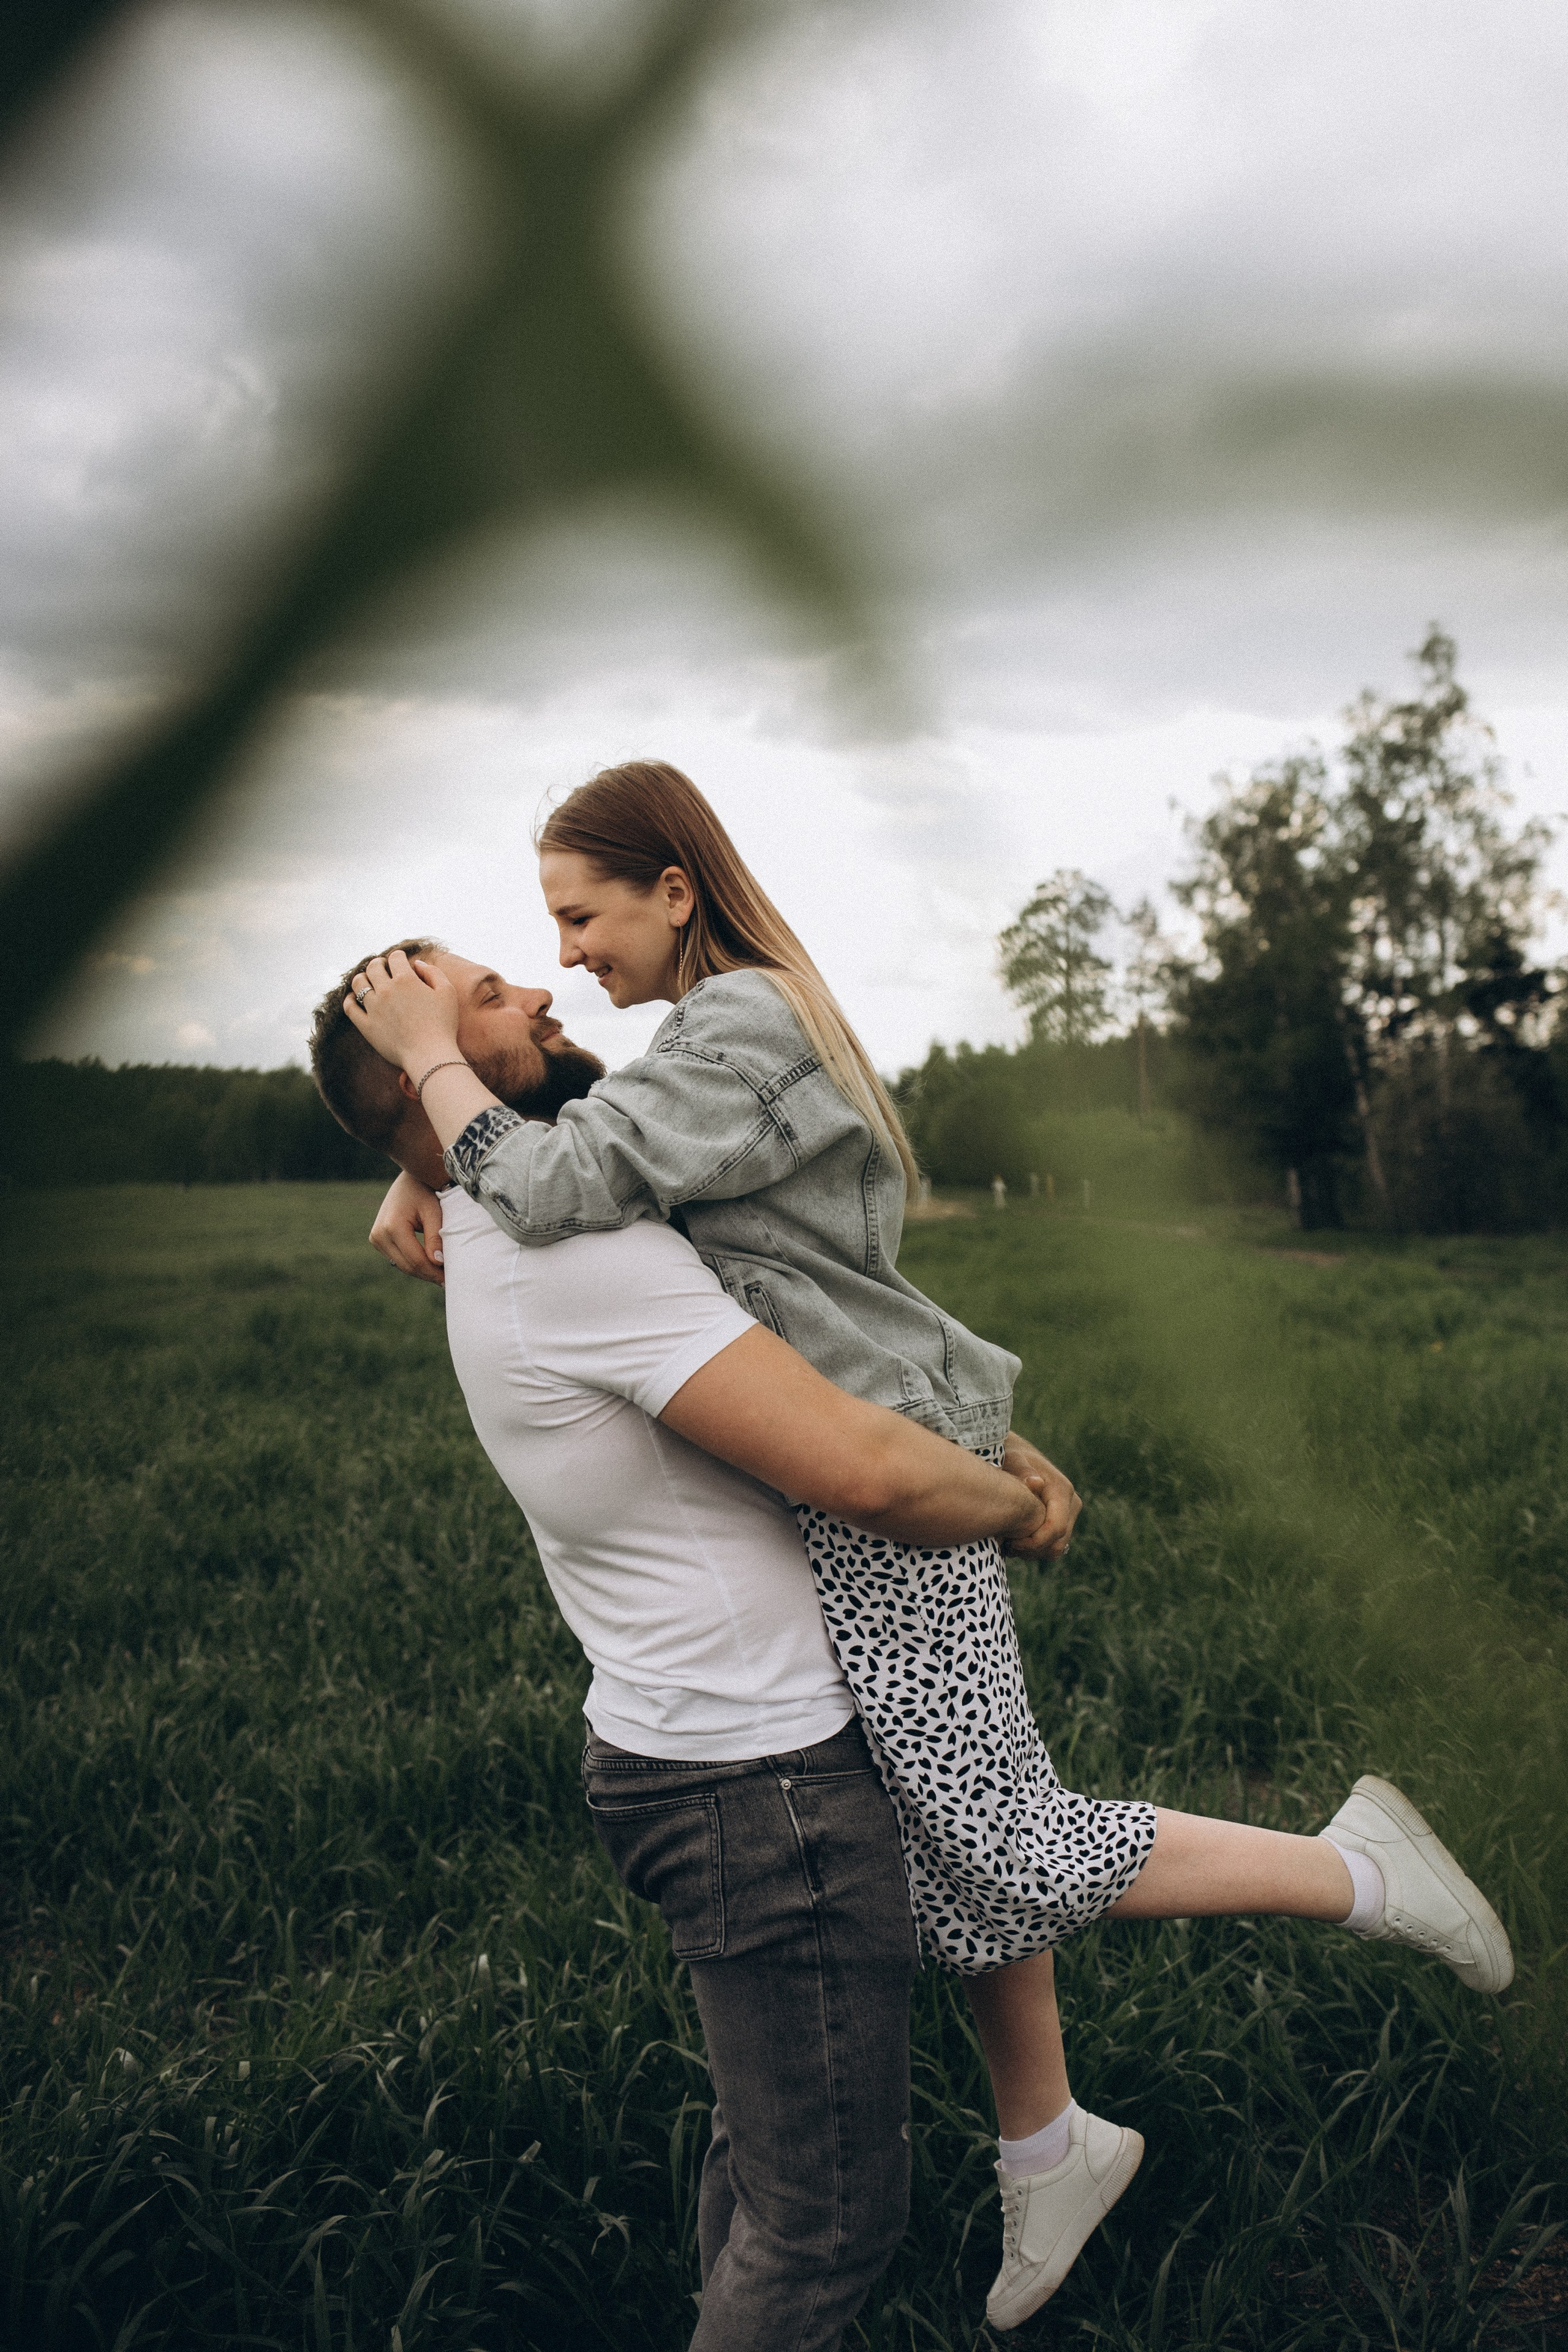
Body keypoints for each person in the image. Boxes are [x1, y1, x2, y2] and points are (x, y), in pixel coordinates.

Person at [344, 766, 1514, 2332]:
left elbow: (557, 1168)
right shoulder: (704, 1036)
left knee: (1001, 1836)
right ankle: (1046, 2144)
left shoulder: (740, 1021)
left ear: (672, 890)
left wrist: (425, 1069)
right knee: (947, 1834)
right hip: (851, 1464)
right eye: (540, 939)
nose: (563, 959)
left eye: (578, 917)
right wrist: (407, 1156)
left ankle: (1361, 1870)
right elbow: (578, 1136)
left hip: (881, 1460)